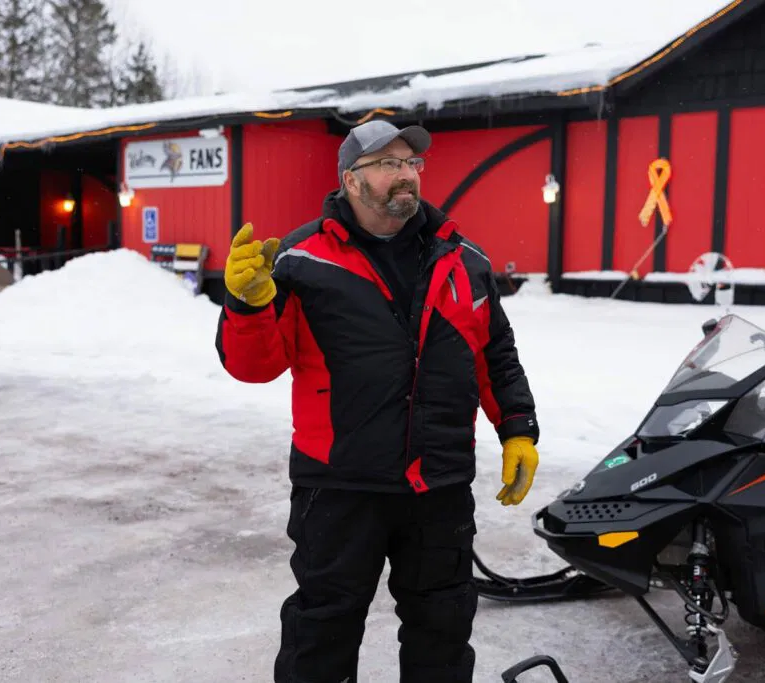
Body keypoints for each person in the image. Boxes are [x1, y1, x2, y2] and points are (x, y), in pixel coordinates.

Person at [215, 119, 540, 683]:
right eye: (388, 163)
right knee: (323, 630)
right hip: (340, 485)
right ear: (351, 180)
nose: (405, 175)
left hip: (438, 485)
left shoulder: (464, 259)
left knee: (442, 630)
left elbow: (496, 357)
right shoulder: (298, 260)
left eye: (411, 163)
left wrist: (517, 430)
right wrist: (246, 307)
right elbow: (254, 366)